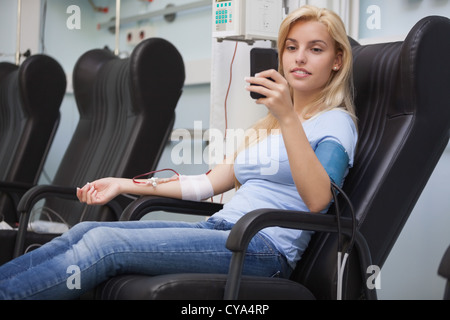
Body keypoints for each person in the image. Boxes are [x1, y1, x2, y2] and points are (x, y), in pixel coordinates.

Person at [0, 5, 358, 300]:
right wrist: (122, 184)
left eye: (316, 49)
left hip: (261, 247)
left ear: (337, 60)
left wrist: (289, 119)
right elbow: (204, 185)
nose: (299, 58)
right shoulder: (268, 127)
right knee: (86, 231)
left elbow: (317, 200)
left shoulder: (336, 123)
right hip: (221, 230)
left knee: (105, 244)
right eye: (291, 47)